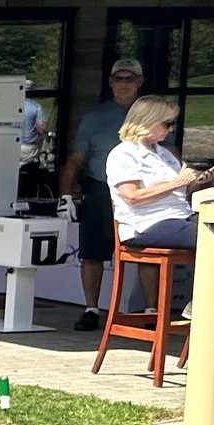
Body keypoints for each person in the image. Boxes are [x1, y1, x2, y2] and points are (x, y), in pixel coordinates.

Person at [104, 95, 211, 312]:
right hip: (146, 224)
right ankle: (201, 301)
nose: (170, 129)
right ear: (147, 120)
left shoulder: (164, 154)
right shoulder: (123, 154)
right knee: (210, 237)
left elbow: (179, 192)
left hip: (179, 216)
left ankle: (203, 300)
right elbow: (132, 196)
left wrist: (198, 182)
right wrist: (179, 181)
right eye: (167, 123)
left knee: (210, 226)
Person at [61, 57, 144, 333]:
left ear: (139, 83)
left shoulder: (150, 115)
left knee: (146, 251)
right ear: (110, 83)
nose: (123, 84)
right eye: (118, 79)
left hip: (143, 193)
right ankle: (91, 309)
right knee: (93, 252)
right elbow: (76, 159)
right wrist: (66, 194)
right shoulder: (94, 118)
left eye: (129, 79)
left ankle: (152, 310)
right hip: (101, 188)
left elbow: (169, 153)